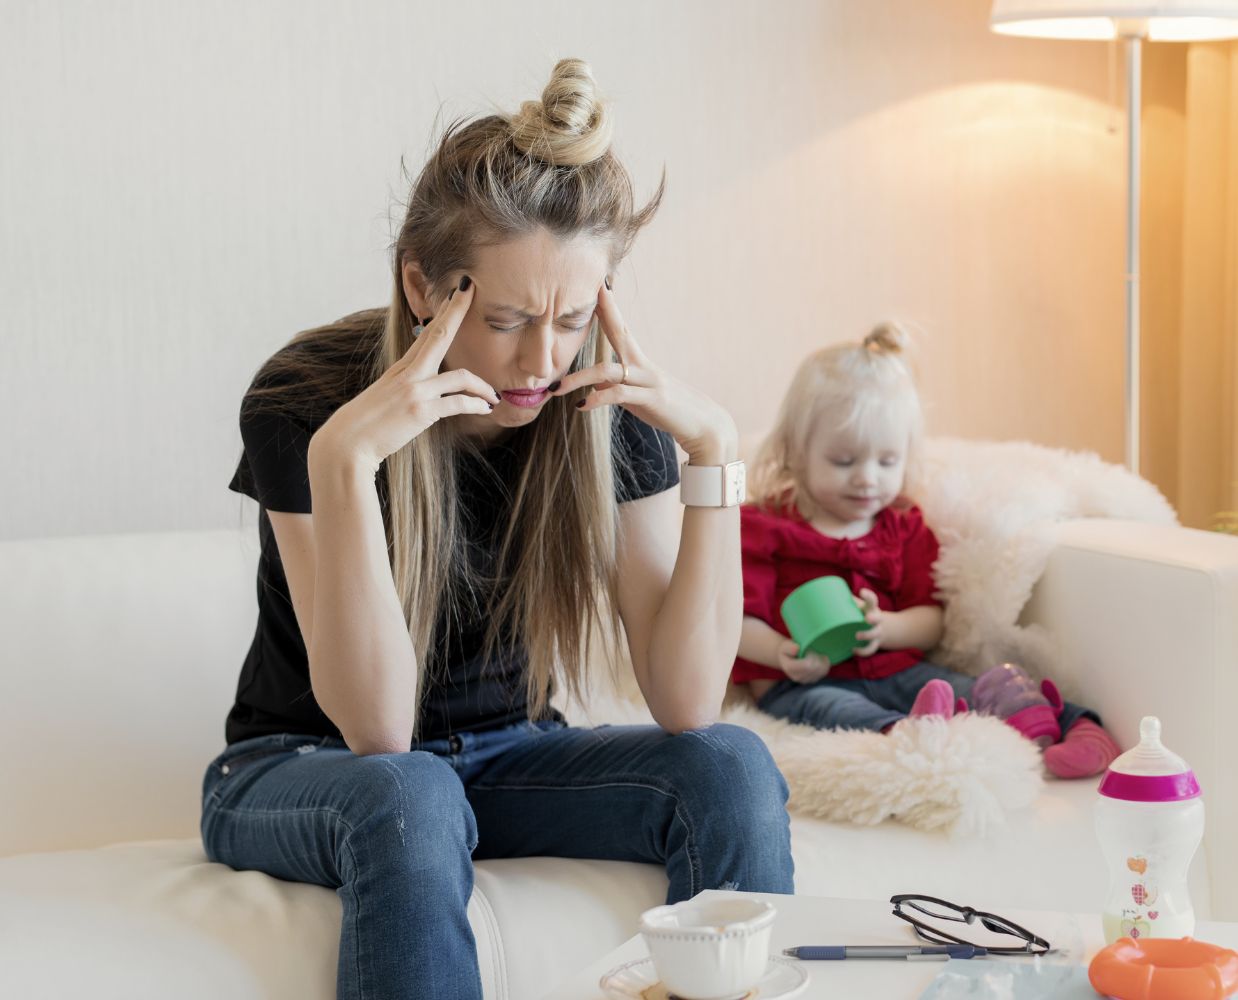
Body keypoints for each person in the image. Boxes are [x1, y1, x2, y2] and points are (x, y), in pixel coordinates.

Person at [204, 59, 792, 1000]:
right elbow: (379, 729)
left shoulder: (601, 407)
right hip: (304, 767)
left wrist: (715, 453)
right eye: (510, 318)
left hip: (508, 753)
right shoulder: (305, 398)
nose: (542, 359)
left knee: (730, 765)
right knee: (413, 791)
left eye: (570, 318)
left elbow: (686, 703)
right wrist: (342, 465)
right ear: (424, 287)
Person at [732, 323, 1123, 779]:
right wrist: (781, 651)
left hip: (897, 672)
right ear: (795, 453)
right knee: (832, 708)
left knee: (972, 686)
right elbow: (734, 621)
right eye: (844, 461)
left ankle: (1073, 724)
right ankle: (908, 730)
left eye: (887, 462)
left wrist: (888, 627)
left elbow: (931, 621)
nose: (867, 478)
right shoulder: (763, 527)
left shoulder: (904, 526)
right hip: (804, 681)